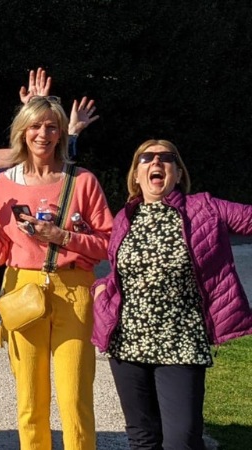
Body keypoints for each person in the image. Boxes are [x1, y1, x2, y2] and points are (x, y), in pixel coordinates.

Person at [0, 96, 113, 450]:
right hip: (22, 288)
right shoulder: (2, 185)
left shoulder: (82, 181)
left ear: (60, 134)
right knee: (29, 401)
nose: (43, 134)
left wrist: (63, 237)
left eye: (51, 126)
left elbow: (107, 244)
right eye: (35, 126)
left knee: (74, 399)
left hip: (73, 290)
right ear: (22, 132)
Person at [92, 140, 252, 450]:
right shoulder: (126, 217)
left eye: (166, 157)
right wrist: (103, 287)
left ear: (178, 173)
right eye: (146, 157)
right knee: (142, 439)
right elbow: (122, 266)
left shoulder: (204, 208)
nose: (156, 162)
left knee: (182, 441)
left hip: (181, 342)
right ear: (136, 175)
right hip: (128, 343)